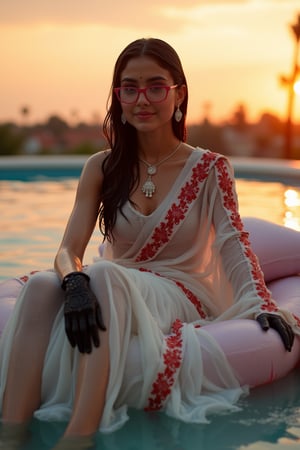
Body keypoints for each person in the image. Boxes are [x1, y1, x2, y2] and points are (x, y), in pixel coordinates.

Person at [0, 38, 298, 446]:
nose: (142, 99)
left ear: (179, 92)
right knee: (39, 287)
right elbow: (68, 251)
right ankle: (11, 433)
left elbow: (233, 241)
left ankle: (80, 435)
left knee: (104, 274)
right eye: (129, 87)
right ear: (118, 95)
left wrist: (263, 306)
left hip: (181, 292)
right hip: (116, 284)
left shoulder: (210, 168)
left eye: (156, 86)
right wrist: (72, 281)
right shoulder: (101, 167)